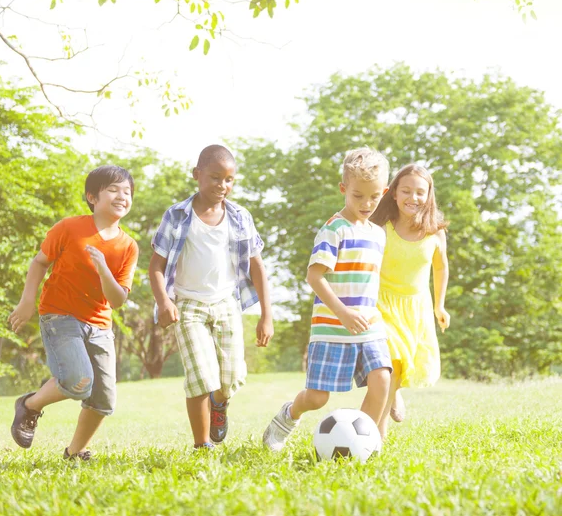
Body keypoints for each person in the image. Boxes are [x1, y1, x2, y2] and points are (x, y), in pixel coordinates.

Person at [263, 147, 392, 451]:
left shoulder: (378, 233)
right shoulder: (333, 229)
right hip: (332, 326)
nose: (366, 203)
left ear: (384, 192)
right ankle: (286, 417)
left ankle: (363, 445)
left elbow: (370, 281)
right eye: (358, 196)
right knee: (317, 397)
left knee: (382, 380)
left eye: (374, 196)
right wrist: (343, 313)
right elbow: (314, 277)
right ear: (344, 189)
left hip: (369, 325)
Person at [9, 165, 138, 460]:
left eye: (127, 192)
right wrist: (27, 300)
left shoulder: (128, 246)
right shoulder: (69, 228)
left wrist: (105, 269)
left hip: (100, 325)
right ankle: (29, 405)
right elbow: (39, 262)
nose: (122, 196)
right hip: (59, 316)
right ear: (92, 197)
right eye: (113, 189)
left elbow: (117, 300)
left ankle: (74, 453)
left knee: (104, 400)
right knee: (79, 382)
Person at [149, 144, 274, 450]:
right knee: (201, 376)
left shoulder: (240, 217)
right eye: (215, 177)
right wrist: (164, 301)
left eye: (229, 180)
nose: (222, 185)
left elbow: (256, 266)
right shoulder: (177, 216)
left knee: (230, 379)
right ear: (197, 175)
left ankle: (220, 404)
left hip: (227, 303)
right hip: (188, 306)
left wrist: (266, 315)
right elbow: (156, 266)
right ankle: (202, 444)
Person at [370, 164, 450, 438]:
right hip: (381, 304)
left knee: (402, 363)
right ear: (393, 193)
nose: (412, 198)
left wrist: (440, 305)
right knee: (390, 362)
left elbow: (441, 267)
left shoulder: (435, 232)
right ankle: (377, 435)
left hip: (416, 307)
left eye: (420, 192)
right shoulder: (381, 227)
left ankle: (395, 394)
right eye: (406, 191)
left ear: (429, 195)